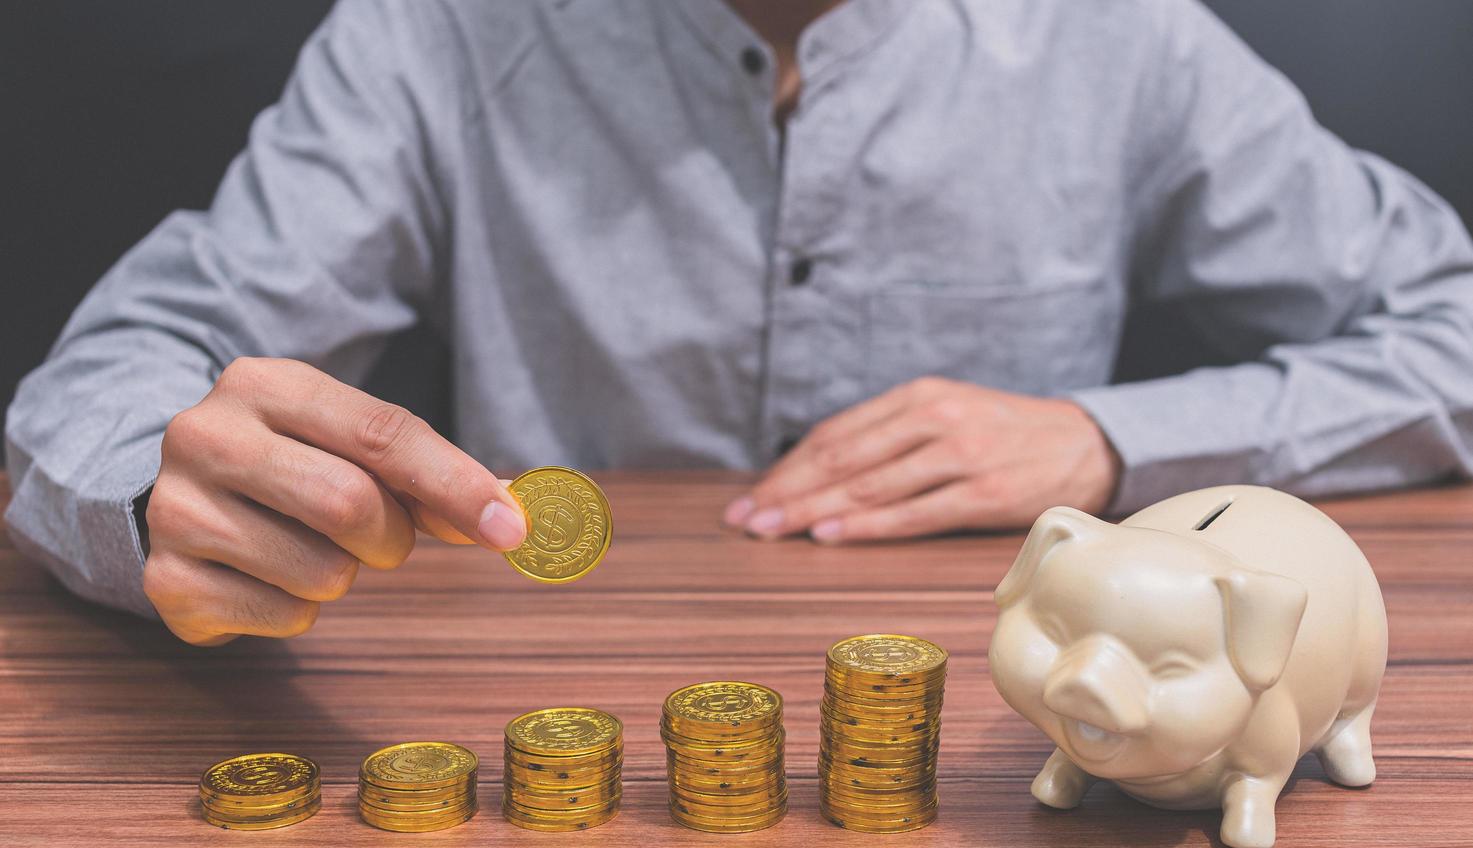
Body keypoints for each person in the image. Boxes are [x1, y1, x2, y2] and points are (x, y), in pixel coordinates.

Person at [6, 0, 1473, 646]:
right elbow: (114, 372)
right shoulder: (434, 29)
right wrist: (152, 500)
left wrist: (1108, 442)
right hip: (547, 712)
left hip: (1013, 742)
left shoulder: (1122, 37)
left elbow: (1452, 325)